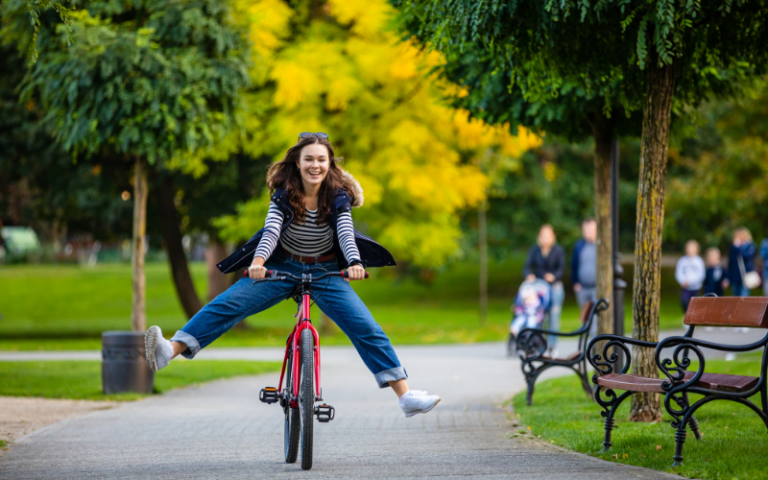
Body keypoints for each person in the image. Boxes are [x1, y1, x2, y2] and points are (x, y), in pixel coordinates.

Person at [144, 133, 440, 418]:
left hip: (326, 271)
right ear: (297, 163)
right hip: (282, 267)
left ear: (330, 163)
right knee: (229, 304)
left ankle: (405, 397)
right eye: (308, 159)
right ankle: (170, 350)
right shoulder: (285, 195)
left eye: (322, 159)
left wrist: (354, 262)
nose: (315, 165)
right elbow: (272, 230)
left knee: (366, 327)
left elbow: (345, 231)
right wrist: (259, 262)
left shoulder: (338, 196)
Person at [523, 224, 565, 352]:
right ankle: (539, 345)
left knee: (553, 316)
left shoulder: (558, 250)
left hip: (554, 287)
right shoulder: (534, 250)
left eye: (548, 236)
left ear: (553, 237)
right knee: (539, 316)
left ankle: (553, 345)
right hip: (539, 287)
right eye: (543, 236)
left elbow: (561, 269)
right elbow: (527, 267)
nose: (545, 239)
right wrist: (529, 275)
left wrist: (553, 276)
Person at [571, 218, 597, 310]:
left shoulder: (601, 246)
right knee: (585, 316)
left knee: (596, 316)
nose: (587, 232)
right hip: (582, 288)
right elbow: (574, 265)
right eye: (585, 230)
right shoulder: (579, 246)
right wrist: (576, 283)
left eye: (590, 230)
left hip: (597, 288)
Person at [675, 240, 705, 313]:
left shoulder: (699, 261)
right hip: (685, 287)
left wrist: (691, 282)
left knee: (695, 304)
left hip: (695, 287)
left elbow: (701, 275)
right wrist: (683, 281)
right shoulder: (682, 261)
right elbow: (678, 273)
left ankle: (693, 318)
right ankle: (686, 315)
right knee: (684, 301)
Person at [727, 227, 756, 296]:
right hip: (735, 276)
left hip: (746, 275)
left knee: (744, 296)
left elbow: (747, 257)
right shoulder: (733, 247)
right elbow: (730, 262)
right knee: (736, 297)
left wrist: (738, 247)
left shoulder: (750, 246)